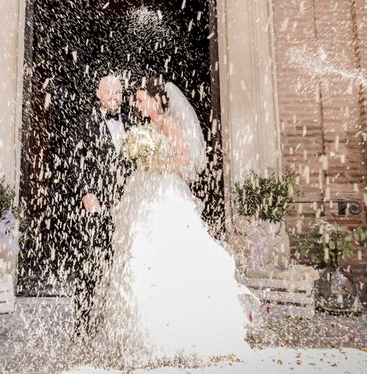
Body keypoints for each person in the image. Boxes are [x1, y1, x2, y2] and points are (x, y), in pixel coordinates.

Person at [90, 78, 256, 368]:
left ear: (156, 101)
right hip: (142, 191)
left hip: (165, 193)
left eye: (141, 100)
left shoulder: (167, 124)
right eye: (136, 100)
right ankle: (139, 333)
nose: (136, 104)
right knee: (136, 253)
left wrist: (156, 165)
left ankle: (176, 330)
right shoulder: (144, 129)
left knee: (165, 253)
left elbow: (184, 158)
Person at [72, 74, 132, 335]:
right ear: (98, 93)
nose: (114, 97)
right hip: (97, 202)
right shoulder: (85, 123)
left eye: (118, 92)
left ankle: (118, 322)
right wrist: (85, 191)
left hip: (128, 202)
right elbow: (76, 160)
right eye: (109, 92)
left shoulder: (132, 122)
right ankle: (83, 322)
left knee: (125, 261)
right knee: (92, 262)